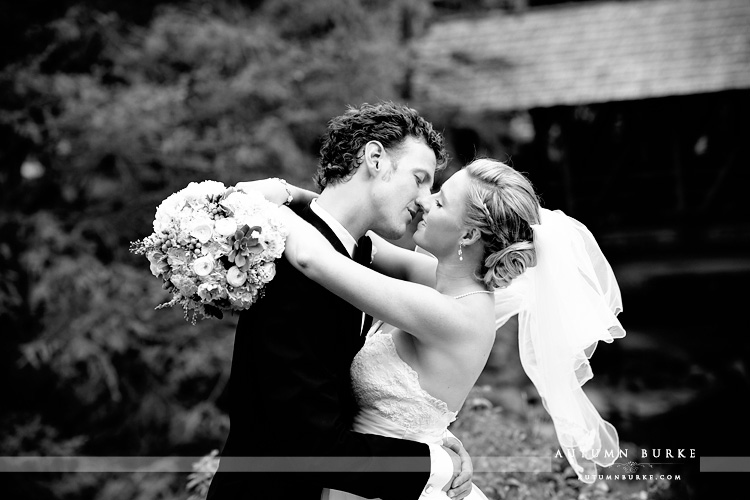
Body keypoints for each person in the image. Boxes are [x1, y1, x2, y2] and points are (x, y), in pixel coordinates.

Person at [274, 158, 626, 498]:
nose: (424, 202)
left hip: (386, 483)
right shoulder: (446, 283)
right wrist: (288, 193)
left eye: (440, 201)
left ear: (470, 234)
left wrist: (258, 212)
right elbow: (360, 241)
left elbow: (313, 259)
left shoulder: (452, 315)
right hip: (375, 471)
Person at [207, 101, 475, 500]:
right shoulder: (295, 267)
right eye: (419, 179)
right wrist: (435, 464)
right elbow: (310, 446)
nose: (424, 200)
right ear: (375, 158)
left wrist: (427, 433)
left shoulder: (353, 254)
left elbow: (334, 393)